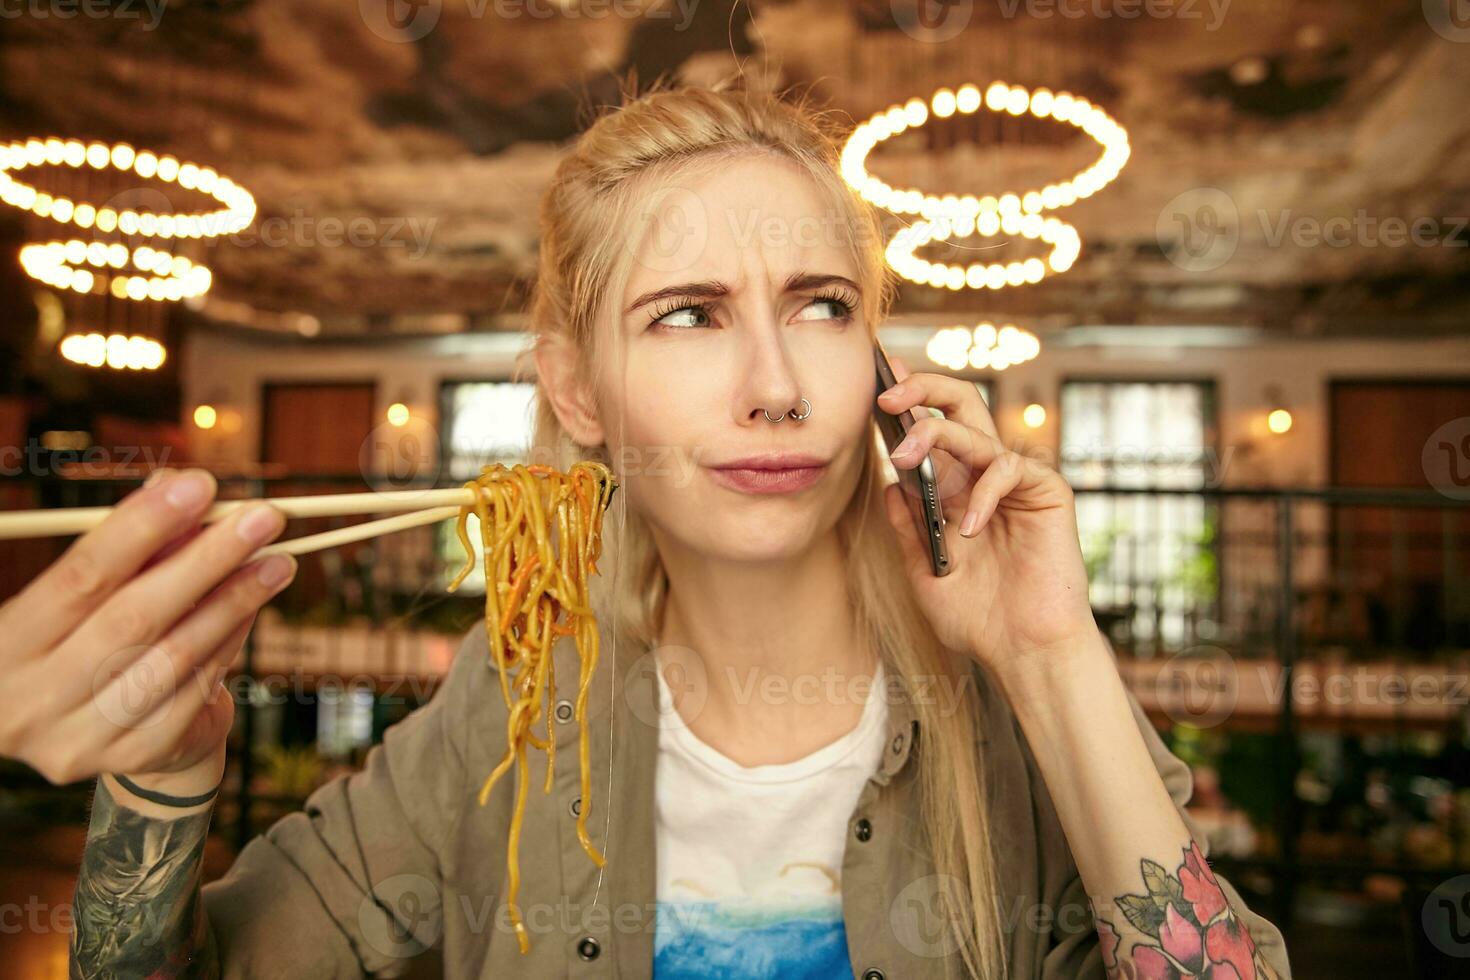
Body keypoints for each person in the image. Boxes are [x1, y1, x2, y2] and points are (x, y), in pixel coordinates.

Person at [1, 77, 1291, 978]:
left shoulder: (1010, 710)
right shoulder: (509, 721)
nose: (777, 384)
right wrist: (166, 769)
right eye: (687, 312)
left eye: (824, 304)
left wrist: (1054, 655)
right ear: (578, 391)